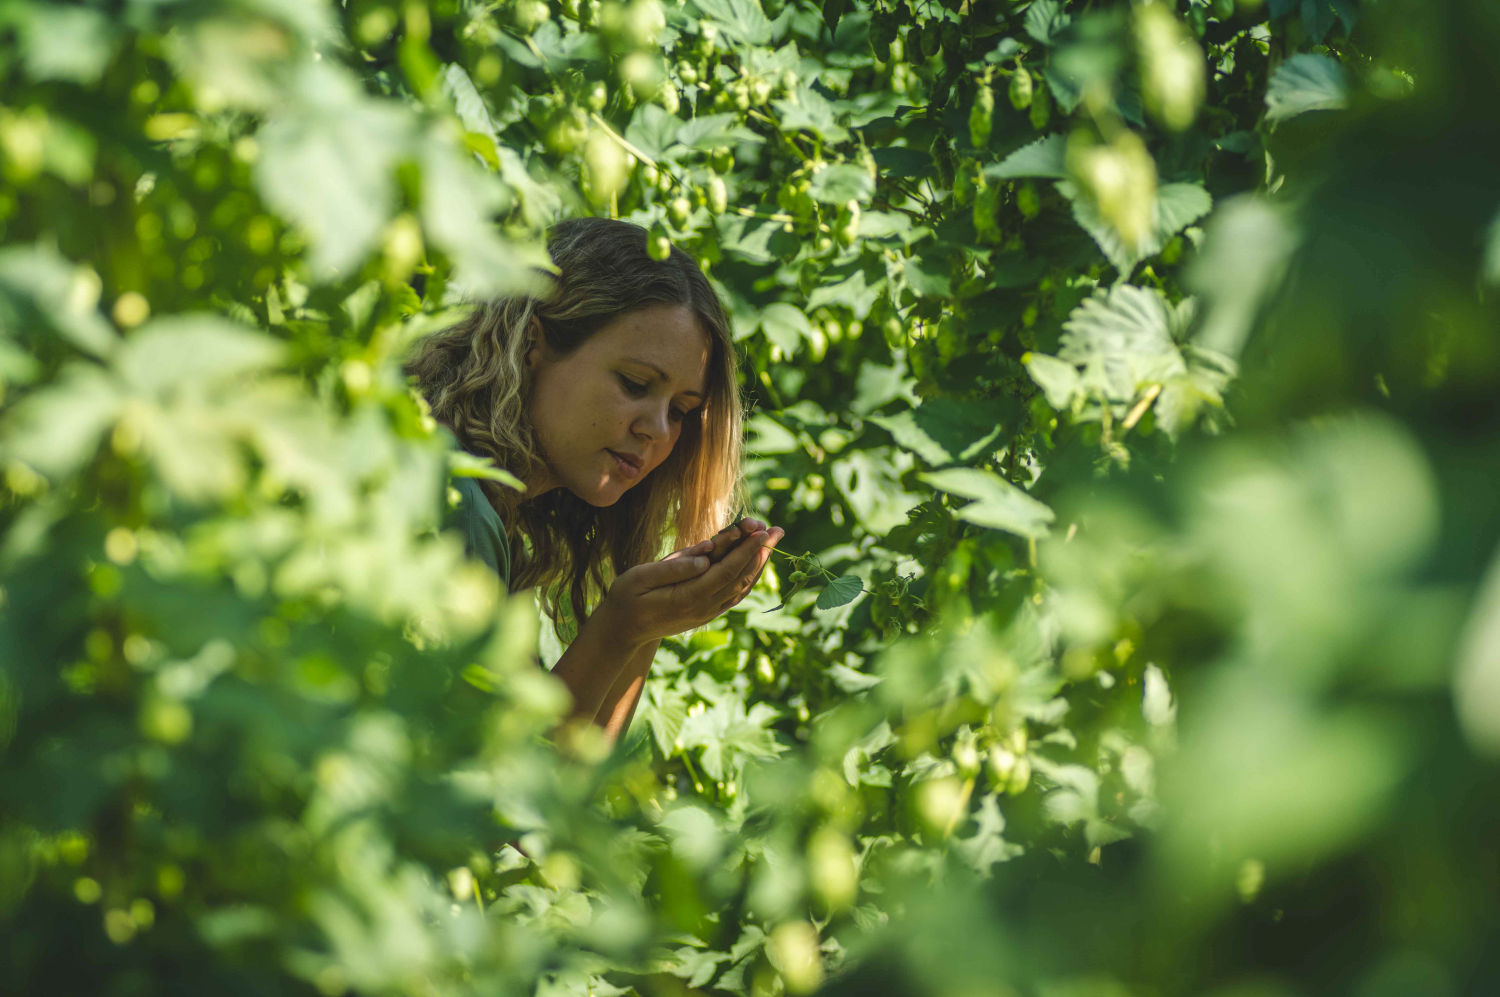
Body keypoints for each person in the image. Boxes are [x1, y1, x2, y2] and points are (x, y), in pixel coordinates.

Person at [406, 217, 784, 743]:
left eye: (681, 411)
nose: (655, 430)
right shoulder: (452, 499)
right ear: (534, 341)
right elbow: (493, 794)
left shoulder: (495, 513)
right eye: (634, 384)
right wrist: (619, 629)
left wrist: (647, 624)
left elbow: (560, 775)